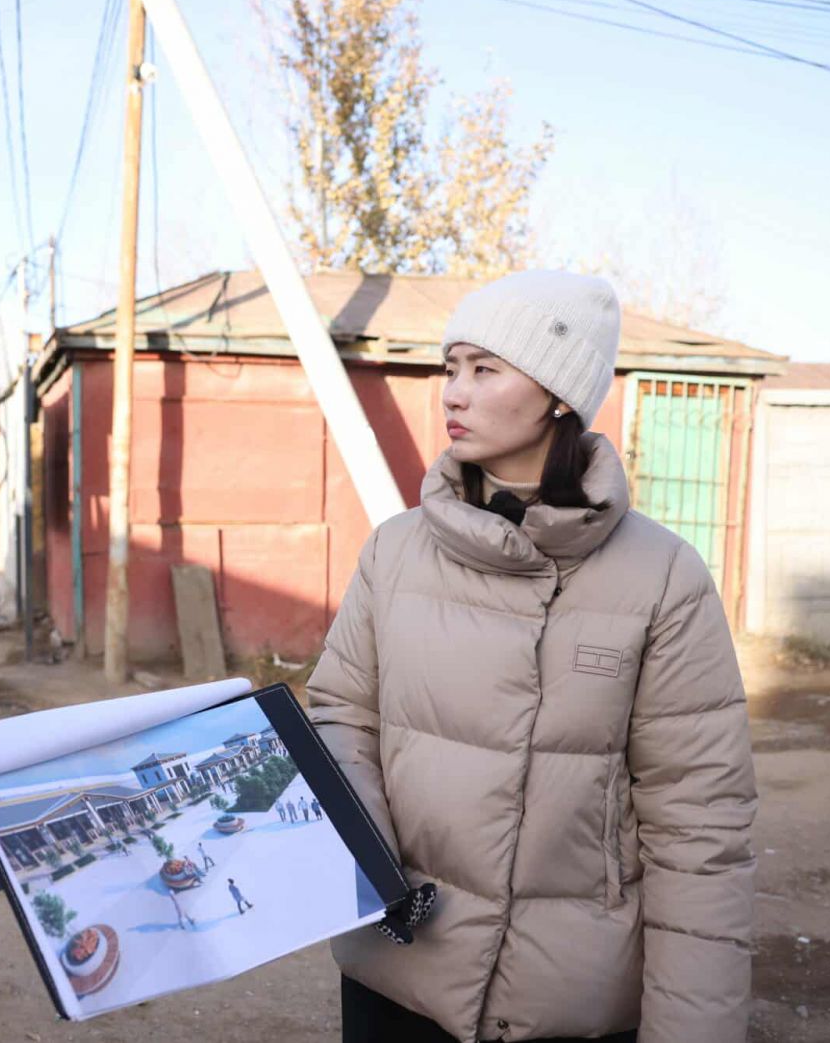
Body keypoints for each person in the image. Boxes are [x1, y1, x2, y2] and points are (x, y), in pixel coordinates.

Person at [309, 271, 756, 1043]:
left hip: (569, 996)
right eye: (451, 367)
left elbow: (700, 823)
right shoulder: (394, 553)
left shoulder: (662, 577)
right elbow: (342, 716)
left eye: (485, 368)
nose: (453, 393)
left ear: (557, 393)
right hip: (398, 975)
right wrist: (372, 860)